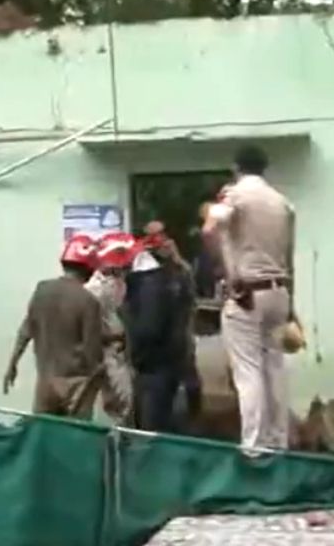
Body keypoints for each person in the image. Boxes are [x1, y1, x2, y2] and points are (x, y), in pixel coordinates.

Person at [203, 145, 295, 451]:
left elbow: (209, 228)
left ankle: (253, 447)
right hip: (279, 290)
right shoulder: (281, 202)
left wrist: (231, 273)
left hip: (247, 292)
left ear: (235, 167)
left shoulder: (236, 196)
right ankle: (279, 442)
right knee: (275, 368)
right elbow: (289, 255)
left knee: (248, 371)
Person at [3, 236, 104, 418]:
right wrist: (100, 379)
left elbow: (26, 331)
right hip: (76, 386)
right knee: (74, 439)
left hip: (45, 383)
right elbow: (92, 353)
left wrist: (12, 364)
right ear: (89, 268)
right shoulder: (88, 301)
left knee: (44, 434)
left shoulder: (42, 290)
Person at [123, 241, 192, 434]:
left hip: (153, 367)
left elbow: (147, 328)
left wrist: (133, 353)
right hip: (167, 362)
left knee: (151, 428)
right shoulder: (167, 280)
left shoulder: (148, 285)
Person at [140, 224, 202, 432]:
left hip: (181, 339)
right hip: (156, 348)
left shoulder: (178, 270)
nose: (158, 240)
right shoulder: (143, 270)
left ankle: (191, 428)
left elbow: (191, 296)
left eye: (161, 234)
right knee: (157, 399)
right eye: (152, 236)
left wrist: (175, 258)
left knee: (191, 388)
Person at [84, 232, 137, 426]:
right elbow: (92, 329)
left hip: (119, 351)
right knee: (118, 407)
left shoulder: (118, 282)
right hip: (106, 352)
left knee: (125, 405)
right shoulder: (95, 290)